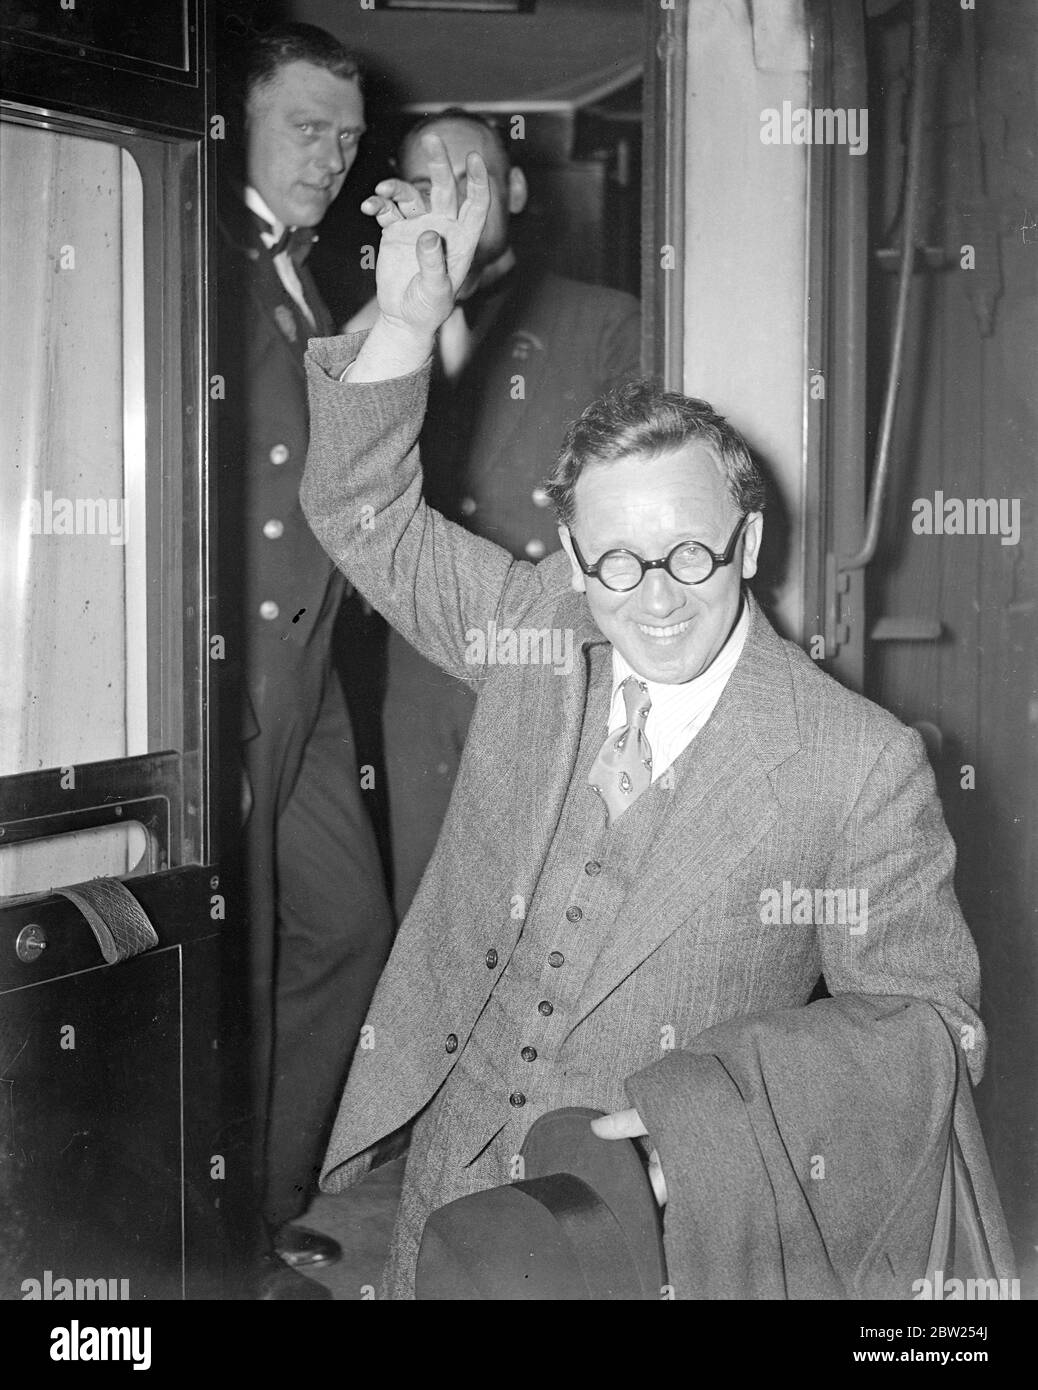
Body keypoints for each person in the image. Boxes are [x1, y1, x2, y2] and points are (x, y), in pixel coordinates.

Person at [298, 140, 986, 1298]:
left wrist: (701, 1130)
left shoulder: (856, 764)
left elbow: (931, 1033)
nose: (654, 597)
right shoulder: (536, 630)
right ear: (571, 555)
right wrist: (406, 322)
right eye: (615, 561)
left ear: (749, 543)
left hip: (637, 1236)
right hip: (442, 1184)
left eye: (688, 553)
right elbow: (363, 513)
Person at [346, 110, 641, 916]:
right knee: (428, 914)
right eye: (424, 182)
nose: (448, 199)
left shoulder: (610, 320)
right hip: (421, 668)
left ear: (512, 187)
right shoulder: (379, 321)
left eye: (467, 178)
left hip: (554, 661)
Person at [215, 23, 394, 1295]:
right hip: (234, 666)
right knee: (245, 949)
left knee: (348, 927)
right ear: (241, 121)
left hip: (314, 658)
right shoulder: (200, 245)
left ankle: (272, 1195)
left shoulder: (305, 273)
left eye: (346, 133)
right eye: (306, 128)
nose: (331, 156)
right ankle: (224, 1240)